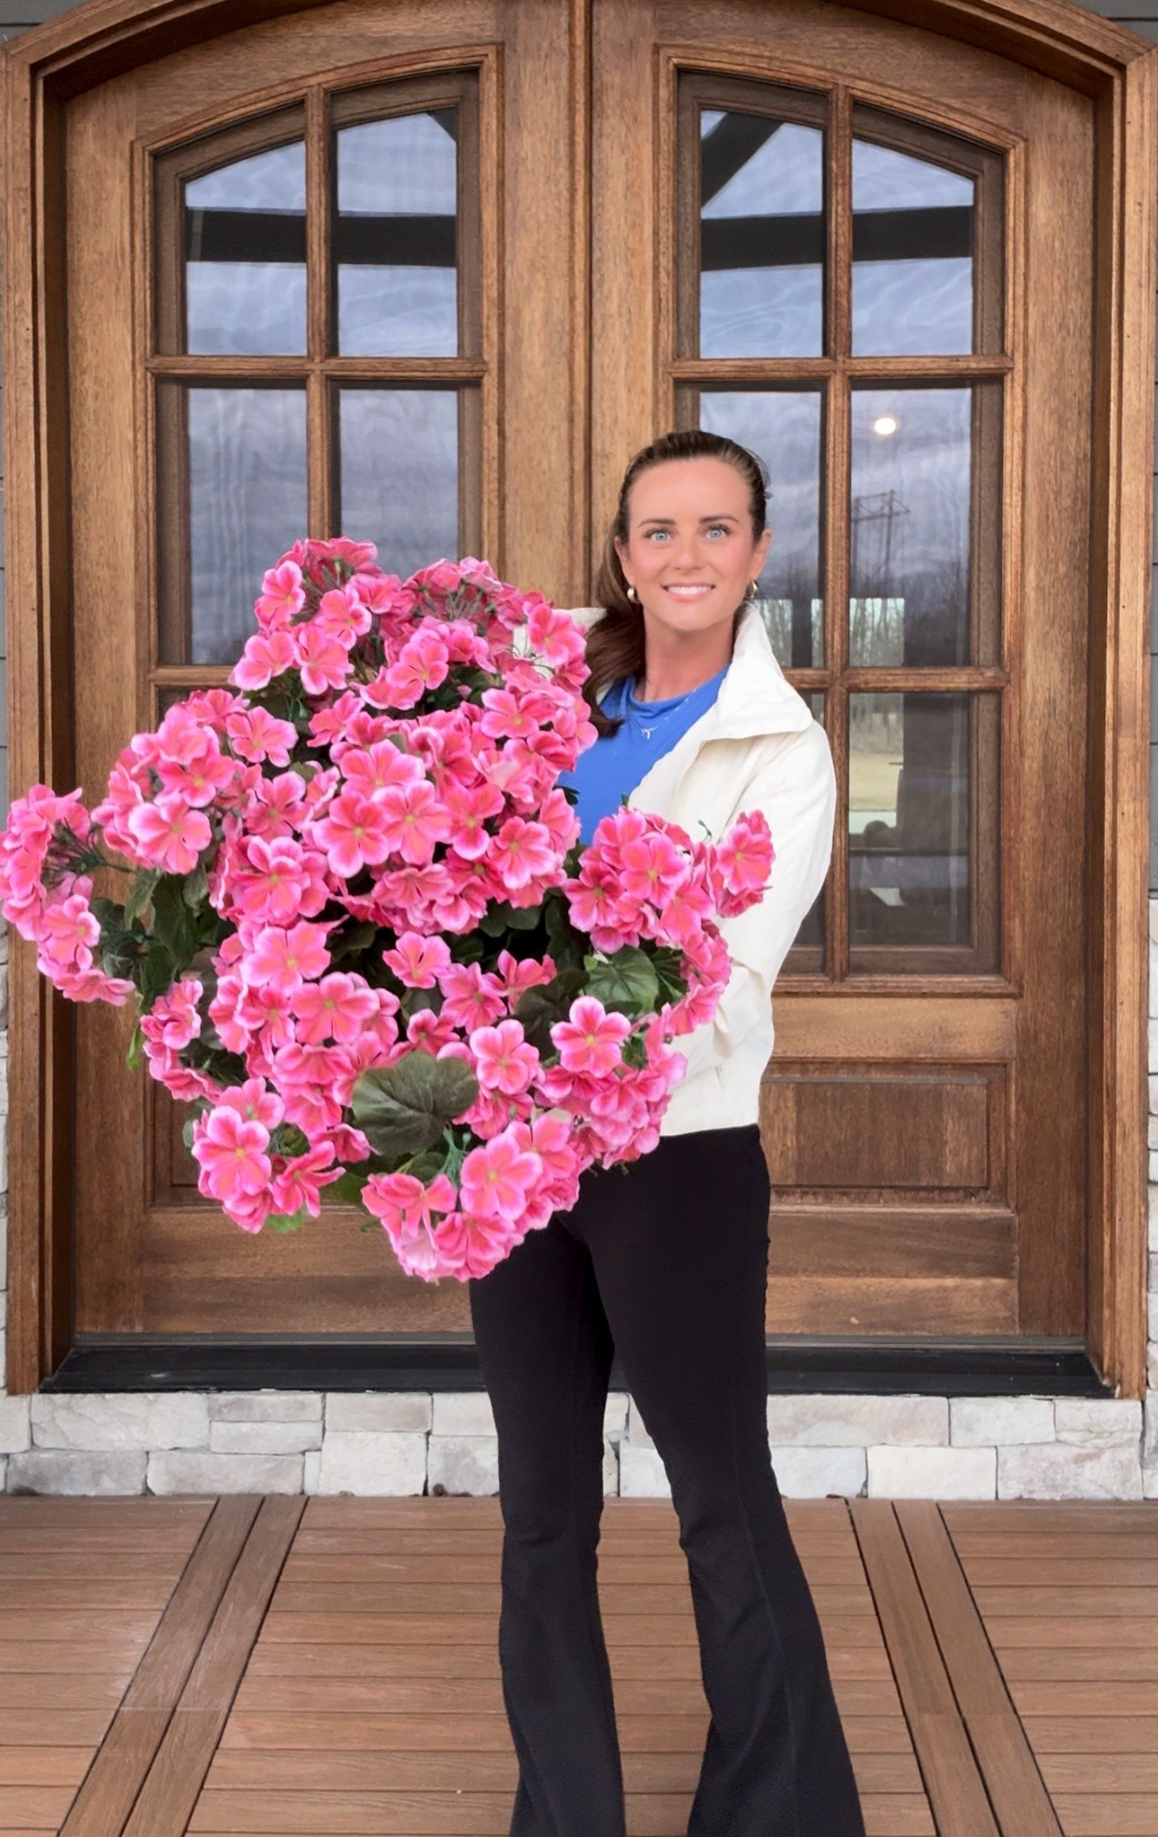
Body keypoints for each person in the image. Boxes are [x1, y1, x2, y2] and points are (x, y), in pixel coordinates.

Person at [468, 429, 866, 1837]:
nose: (684, 556)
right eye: (658, 530)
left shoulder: (784, 751)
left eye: (715, 529)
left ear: (756, 552)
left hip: (672, 1152)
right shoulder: (539, 693)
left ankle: (780, 1815)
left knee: (716, 1492)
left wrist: (526, 1005)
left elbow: (717, 969)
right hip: (507, 1160)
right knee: (539, 1508)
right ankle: (563, 1815)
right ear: (621, 554)